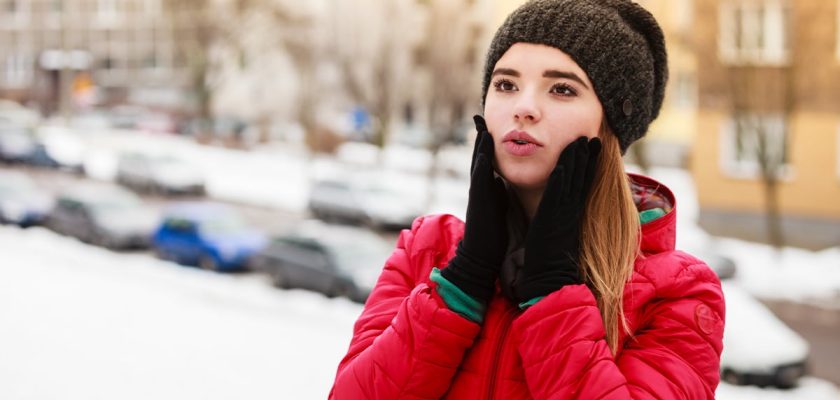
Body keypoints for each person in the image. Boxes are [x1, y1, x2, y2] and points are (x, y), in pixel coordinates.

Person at [330, 0, 725, 398]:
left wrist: (553, 294)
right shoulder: (426, 249)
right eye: (505, 85)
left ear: (612, 125)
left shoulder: (677, 292)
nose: (523, 108)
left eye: (562, 89)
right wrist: (462, 280)